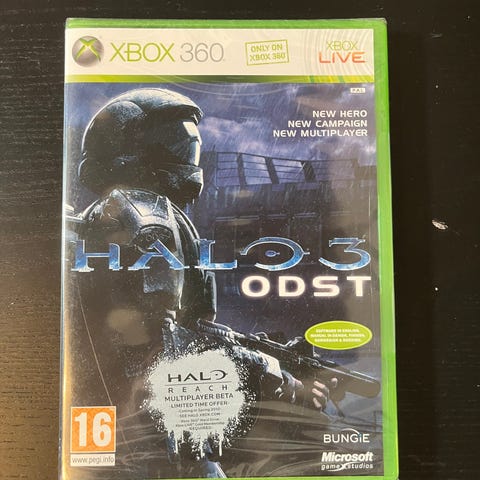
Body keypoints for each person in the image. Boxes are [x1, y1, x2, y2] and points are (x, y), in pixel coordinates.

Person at [71, 88, 334, 478]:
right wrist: (277, 377)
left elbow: (181, 328)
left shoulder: (114, 212)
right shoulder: (146, 216)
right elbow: (164, 347)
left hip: (129, 432)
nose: (187, 155)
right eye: (175, 143)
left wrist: (259, 350)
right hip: (156, 444)